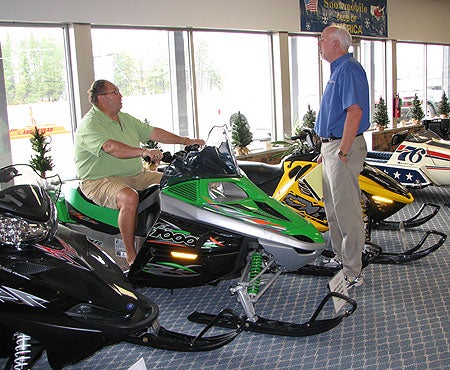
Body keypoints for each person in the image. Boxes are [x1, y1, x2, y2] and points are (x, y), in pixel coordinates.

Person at [74, 79, 205, 266]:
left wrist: (186, 140)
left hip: (136, 175)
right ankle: (131, 255)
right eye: (115, 92)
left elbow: (153, 133)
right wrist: (143, 151)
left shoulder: (124, 119)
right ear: (102, 98)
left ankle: (183, 241)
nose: (121, 96)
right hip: (98, 180)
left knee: (180, 184)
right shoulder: (90, 124)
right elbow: (110, 147)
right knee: (129, 198)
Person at [314, 25, 370, 289]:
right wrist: (326, 151)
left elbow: (355, 113)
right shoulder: (337, 70)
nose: (319, 43)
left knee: (347, 213)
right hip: (332, 148)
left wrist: (343, 150)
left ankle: (353, 271)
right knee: (333, 211)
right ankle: (340, 258)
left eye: (322, 39)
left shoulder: (349, 70)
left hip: (342, 149)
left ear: (336, 43)